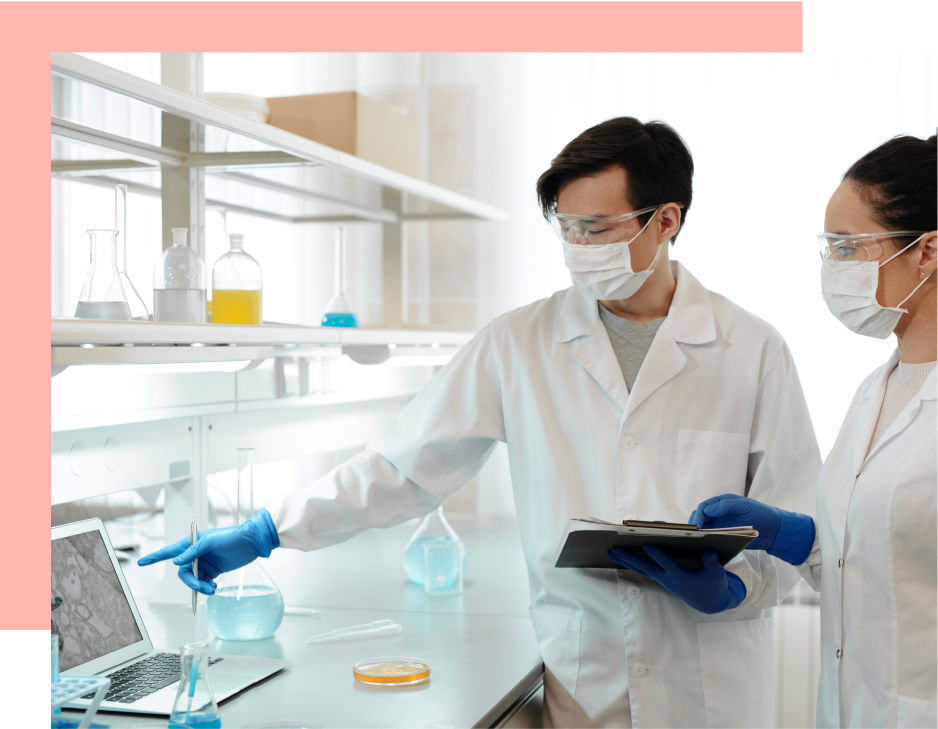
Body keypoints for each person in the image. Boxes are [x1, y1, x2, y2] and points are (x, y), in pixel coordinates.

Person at [139, 117, 821, 729]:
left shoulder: (752, 349)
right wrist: (268, 531)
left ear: (665, 220)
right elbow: (402, 467)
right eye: (567, 227)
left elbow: (799, 517)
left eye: (598, 229)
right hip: (588, 683)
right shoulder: (519, 342)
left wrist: (737, 588)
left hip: (712, 687)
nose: (579, 247)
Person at [684, 131, 938, 729]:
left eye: (849, 247)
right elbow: (885, 566)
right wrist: (798, 539)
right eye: (829, 248)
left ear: (927, 251)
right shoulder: (875, 391)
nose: (834, 267)